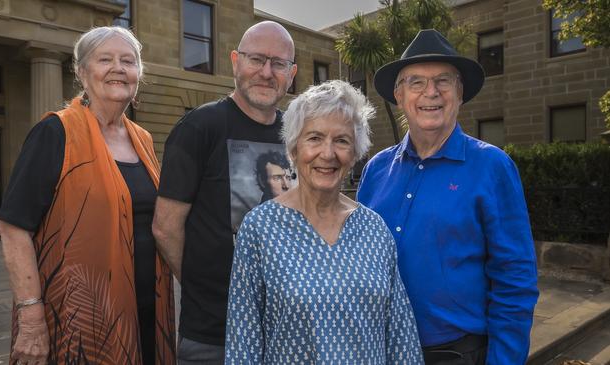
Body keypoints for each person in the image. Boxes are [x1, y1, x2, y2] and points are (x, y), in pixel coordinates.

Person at [357, 29, 539, 365]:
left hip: (456, 354)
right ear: (399, 95)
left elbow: (515, 279)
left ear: (460, 92)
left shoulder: (492, 166)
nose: (431, 92)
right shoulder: (376, 170)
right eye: (416, 82)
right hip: (378, 351)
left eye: (443, 80)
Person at [0, 26, 175, 365]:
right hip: (78, 316)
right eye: (104, 59)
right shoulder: (55, 132)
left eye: (128, 61)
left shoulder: (144, 139)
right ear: (81, 72)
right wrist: (30, 315)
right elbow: (13, 227)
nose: (118, 68)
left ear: (139, 73)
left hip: (144, 307)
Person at [225, 80, 423, 363]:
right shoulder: (260, 228)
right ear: (293, 149)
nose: (327, 154)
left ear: (355, 153)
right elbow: (243, 343)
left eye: (341, 140)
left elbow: (401, 340)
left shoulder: (375, 230)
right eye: (314, 138)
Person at [152, 21, 297, 363]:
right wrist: (203, 288)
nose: (266, 72)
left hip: (287, 329)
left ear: (291, 74)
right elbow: (165, 227)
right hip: (214, 336)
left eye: (278, 64)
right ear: (235, 61)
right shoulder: (199, 127)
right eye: (256, 59)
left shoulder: (298, 134)